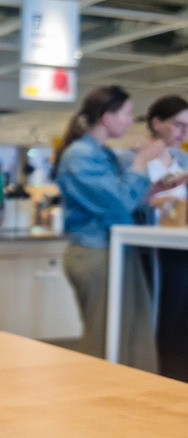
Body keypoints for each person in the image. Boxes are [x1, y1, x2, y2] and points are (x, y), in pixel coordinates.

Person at [52, 85, 184, 372]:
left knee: (127, 332)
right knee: (103, 336)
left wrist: (155, 190)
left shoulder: (102, 154)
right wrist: (141, 161)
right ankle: (96, 393)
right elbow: (118, 203)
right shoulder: (80, 155)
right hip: (94, 251)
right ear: (107, 117)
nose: (130, 120)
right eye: (126, 113)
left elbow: (128, 199)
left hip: (113, 251)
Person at [145, 95, 188, 382]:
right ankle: (164, 376)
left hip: (181, 243)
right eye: (178, 125)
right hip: (154, 248)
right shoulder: (136, 159)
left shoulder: (183, 159)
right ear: (157, 123)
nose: (184, 133)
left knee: (183, 318)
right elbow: (130, 201)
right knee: (166, 317)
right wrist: (165, 199)